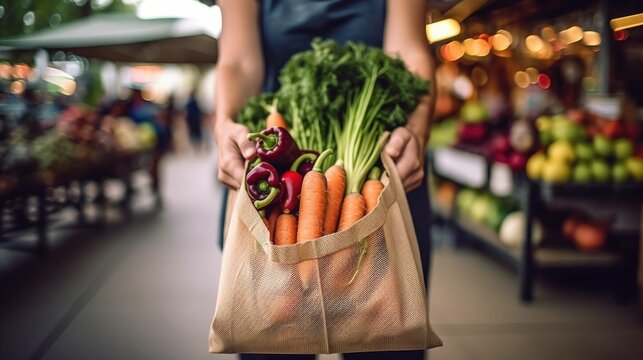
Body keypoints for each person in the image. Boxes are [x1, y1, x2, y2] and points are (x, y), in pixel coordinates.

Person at [213, 1, 435, 359]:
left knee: (383, 343)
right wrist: (224, 125)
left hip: (379, 187)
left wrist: (416, 131)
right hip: (278, 188)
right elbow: (238, 61)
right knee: (273, 333)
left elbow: (409, 51)